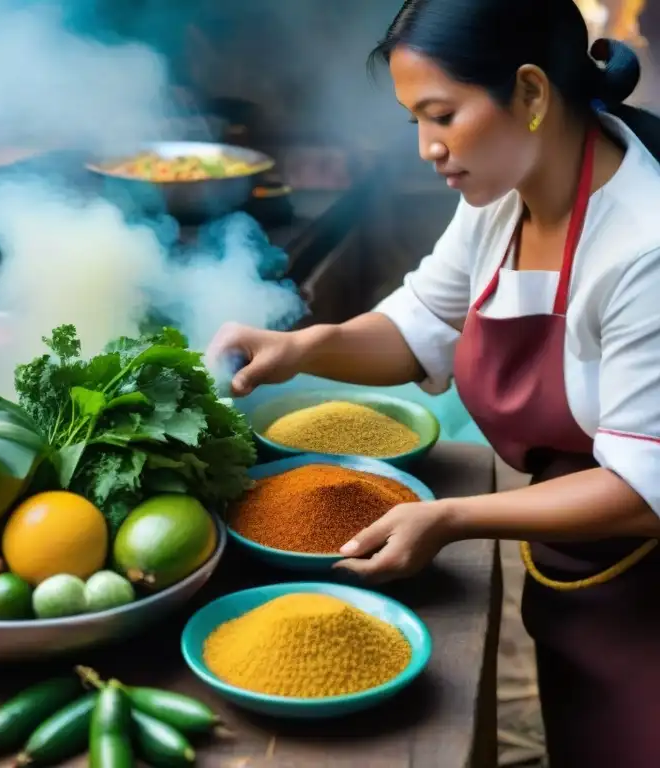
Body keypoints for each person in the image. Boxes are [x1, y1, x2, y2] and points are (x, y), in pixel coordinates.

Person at [207, 1, 660, 765]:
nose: (426, 148)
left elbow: (644, 494)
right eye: (414, 120)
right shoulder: (504, 198)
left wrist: (447, 519)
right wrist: (300, 347)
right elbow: (418, 326)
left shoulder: (643, 246)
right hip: (576, 573)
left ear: (531, 93)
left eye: (440, 115)